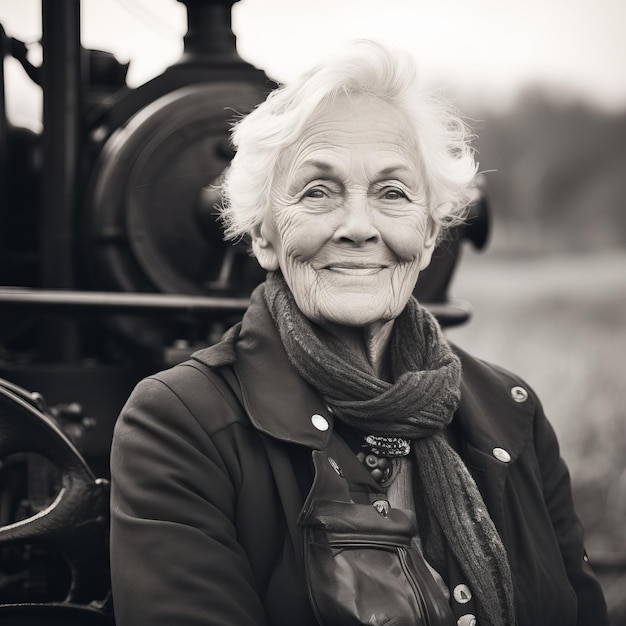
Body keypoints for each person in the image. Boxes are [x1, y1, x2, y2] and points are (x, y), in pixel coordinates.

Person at [109, 40, 609, 626]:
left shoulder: (511, 410)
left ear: (428, 236)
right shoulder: (179, 421)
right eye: (317, 191)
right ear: (264, 236)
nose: (356, 226)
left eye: (392, 193)